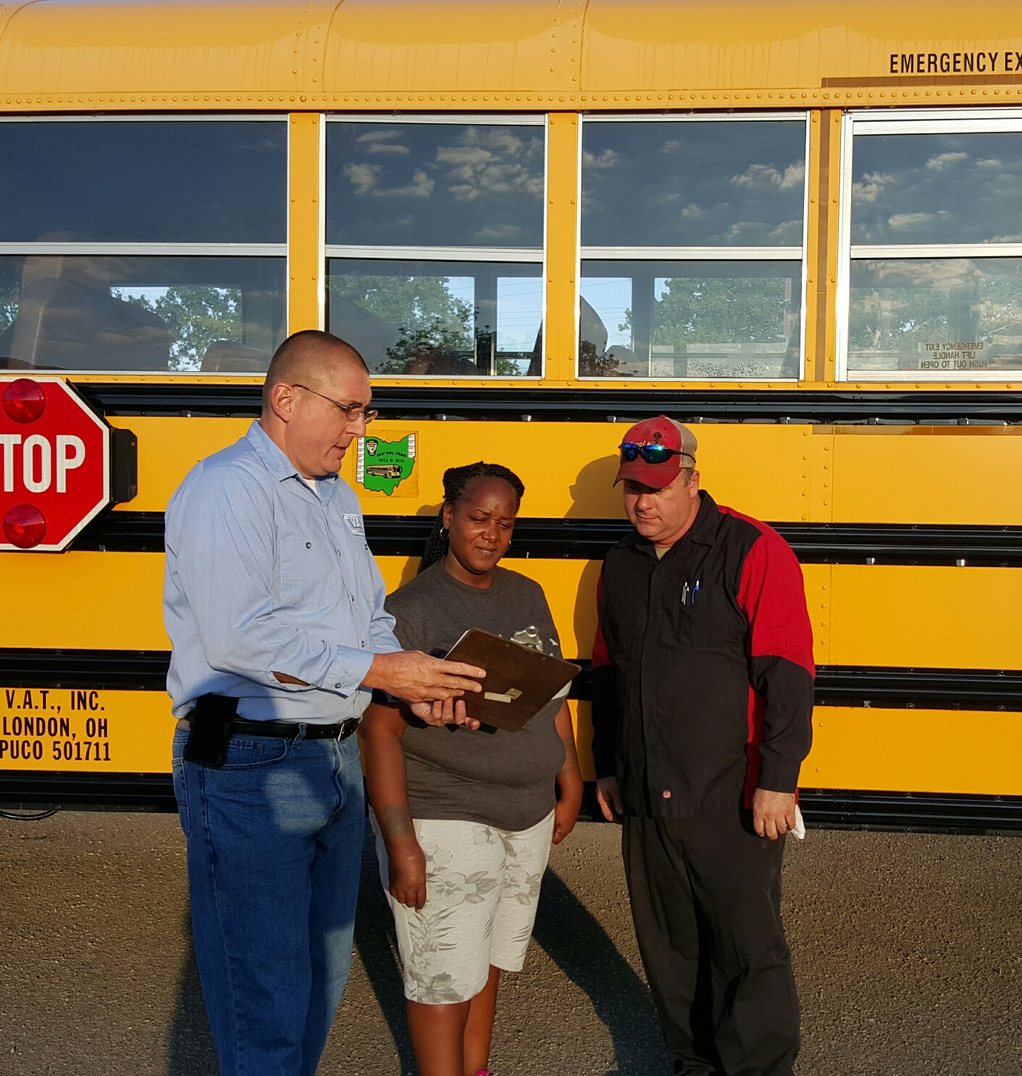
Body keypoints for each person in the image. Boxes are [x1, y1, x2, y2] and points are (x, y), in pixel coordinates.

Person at [163, 329, 486, 1076]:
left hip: (334, 761)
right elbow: (241, 639)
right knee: (264, 998)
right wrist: (381, 668)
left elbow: (365, 616)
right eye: (349, 410)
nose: (359, 430)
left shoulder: (336, 496)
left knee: (318, 983)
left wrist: (415, 681)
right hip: (251, 764)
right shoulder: (224, 489)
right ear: (285, 399)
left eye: (365, 413)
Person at [589, 416, 816, 1076]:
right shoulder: (620, 565)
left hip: (731, 794)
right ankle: (693, 1064)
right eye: (632, 487)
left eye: (658, 486)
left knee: (746, 949)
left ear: (693, 479)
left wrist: (778, 776)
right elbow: (609, 674)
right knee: (670, 949)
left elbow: (788, 670)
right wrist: (609, 769)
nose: (643, 501)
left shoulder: (752, 549)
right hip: (648, 794)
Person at [361, 461, 586, 1076]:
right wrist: (400, 842)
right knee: (440, 975)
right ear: (448, 517)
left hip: (526, 815)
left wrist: (569, 780)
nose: (491, 533)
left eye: (505, 523)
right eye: (478, 518)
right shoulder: (411, 609)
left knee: (484, 959)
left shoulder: (527, 593)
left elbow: (550, 699)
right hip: (446, 814)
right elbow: (377, 731)